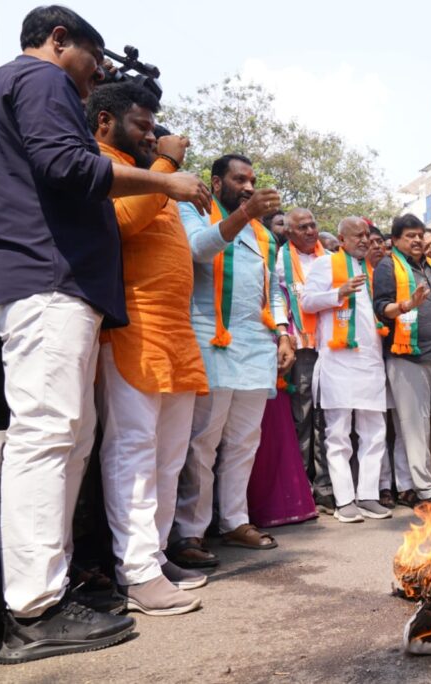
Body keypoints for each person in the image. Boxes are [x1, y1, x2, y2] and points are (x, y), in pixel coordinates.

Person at [0, 6, 211, 663]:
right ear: (58, 40)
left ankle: (45, 597)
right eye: (92, 60)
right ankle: (32, 609)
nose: (95, 80)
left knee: (65, 437)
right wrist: (166, 178)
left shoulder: (13, 87)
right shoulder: (37, 78)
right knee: (50, 435)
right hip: (46, 281)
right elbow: (70, 169)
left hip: (51, 284)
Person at [87, 83, 208, 616]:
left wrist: (162, 171)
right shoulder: (100, 161)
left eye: (155, 127)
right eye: (142, 125)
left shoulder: (151, 173)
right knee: (133, 450)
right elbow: (120, 223)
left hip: (175, 332)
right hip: (133, 326)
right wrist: (164, 165)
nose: (152, 134)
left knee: (168, 455)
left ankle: (155, 556)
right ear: (105, 121)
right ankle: (135, 572)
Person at [171, 154, 294, 566]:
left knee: (244, 441)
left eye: (252, 180)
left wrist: (282, 332)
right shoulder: (194, 209)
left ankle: (235, 521)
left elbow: (272, 290)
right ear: (216, 181)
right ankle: (189, 531)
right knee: (203, 440)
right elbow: (198, 250)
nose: (247, 185)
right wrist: (244, 212)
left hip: (256, 345)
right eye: (239, 179)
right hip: (211, 339)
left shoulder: (263, 234)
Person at [300, 217, 392, 522]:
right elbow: (308, 302)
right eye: (358, 236)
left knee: (374, 431)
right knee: (338, 433)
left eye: (367, 235)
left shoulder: (372, 270)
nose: (365, 240)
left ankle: (368, 495)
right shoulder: (326, 265)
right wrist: (339, 292)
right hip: (338, 360)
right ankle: (344, 501)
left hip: (369, 361)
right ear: (341, 239)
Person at [373, 214, 431, 504]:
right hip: (409, 357)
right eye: (409, 235)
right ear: (395, 240)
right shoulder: (388, 266)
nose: (416, 240)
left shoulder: (429, 265)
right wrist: (407, 305)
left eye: (419, 235)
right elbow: (381, 307)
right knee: (416, 426)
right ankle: (426, 489)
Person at [274, 208, 334, 510]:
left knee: (327, 418)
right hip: (302, 349)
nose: (311, 231)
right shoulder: (279, 263)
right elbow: (277, 302)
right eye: (303, 227)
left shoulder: (331, 260)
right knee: (303, 419)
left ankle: (326, 487)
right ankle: (303, 489)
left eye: (313, 225)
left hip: (333, 348)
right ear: (289, 232)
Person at [367, 224, 416, 506]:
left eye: (381, 243)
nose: (376, 247)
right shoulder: (353, 276)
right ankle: (382, 486)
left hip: (398, 355)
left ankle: (405, 485)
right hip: (365, 363)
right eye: (371, 242)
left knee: (400, 424)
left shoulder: (399, 275)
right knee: (376, 427)